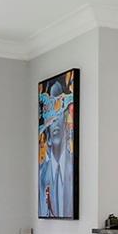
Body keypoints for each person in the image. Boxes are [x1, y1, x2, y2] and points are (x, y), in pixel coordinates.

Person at [38, 78, 75, 218]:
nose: (55, 123)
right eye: (51, 119)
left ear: (66, 124)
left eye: (59, 115)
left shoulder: (75, 170)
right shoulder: (42, 175)